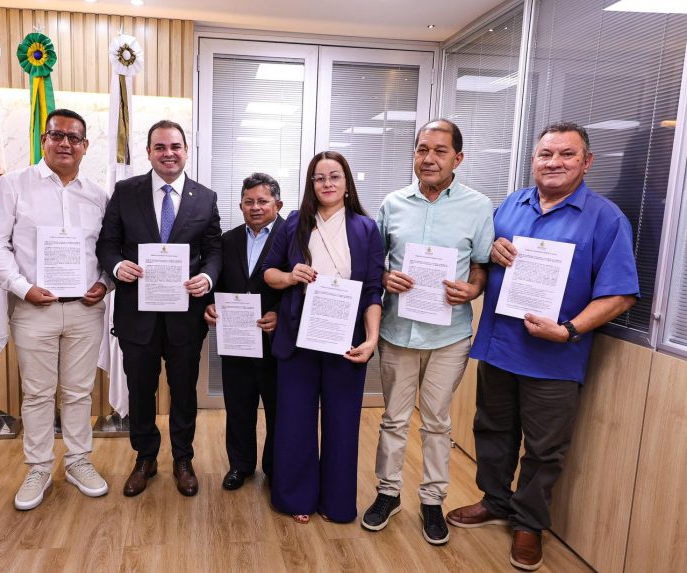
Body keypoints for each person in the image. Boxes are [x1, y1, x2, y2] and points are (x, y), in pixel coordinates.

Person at [446, 122, 639, 571]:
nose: (554, 163)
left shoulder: (606, 218)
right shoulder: (511, 205)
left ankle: (529, 524)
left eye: (567, 154)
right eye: (546, 154)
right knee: (491, 430)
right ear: (533, 160)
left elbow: (620, 294)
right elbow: (481, 258)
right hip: (500, 346)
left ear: (586, 162)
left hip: (554, 357)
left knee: (544, 448)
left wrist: (569, 329)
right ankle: (494, 501)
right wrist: (491, 252)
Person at [363, 119, 494, 543]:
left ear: (458, 158)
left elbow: (481, 266)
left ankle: (432, 500)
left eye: (440, 150)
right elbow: (374, 261)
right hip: (398, 331)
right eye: (422, 149)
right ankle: (388, 493)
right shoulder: (393, 203)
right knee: (394, 419)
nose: (429, 158)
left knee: (437, 422)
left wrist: (472, 289)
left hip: (448, 336)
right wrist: (385, 277)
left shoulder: (478, 206)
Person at [0, 109, 110, 510]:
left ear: (85, 146)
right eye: (57, 135)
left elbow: (109, 248)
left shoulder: (98, 194)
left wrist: (104, 283)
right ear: (44, 140)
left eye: (74, 138)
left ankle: (77, 461)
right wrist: (22, 287)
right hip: (33, 307)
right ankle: (38, 467)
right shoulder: (13, 185)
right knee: (37, 393)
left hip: (85, 309)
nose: (65, 143)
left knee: (79, 392)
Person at [96, 119, 222, 497]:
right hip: (137, 316)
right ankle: (145, 458)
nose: (169, 154)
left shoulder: (205, 198)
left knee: (183, 392)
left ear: (186, 151)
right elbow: (107, 244)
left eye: (175, 146)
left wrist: (208, 278)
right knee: (140, 390)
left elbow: (214, 251)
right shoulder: (125, 192)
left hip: (186, 316)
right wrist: (117, 266)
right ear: (149, 152)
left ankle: (183, 459)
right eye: (160, 147)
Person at [263, 151, 384, 524]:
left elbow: (373, 290)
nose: (327, 183)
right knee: (295, 420)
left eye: (335, 176)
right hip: (298, 336)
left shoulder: (366, 228)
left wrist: (372, 339)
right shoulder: (294, 223)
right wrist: (290, 276)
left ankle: (336, 501)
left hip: (346, 338)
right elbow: (269, 273)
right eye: (319, 177)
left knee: (342, 422)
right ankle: (296, 496)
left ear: (347, 183)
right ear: (311, 184)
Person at [204, 173, 284, 490]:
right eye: (248, 201)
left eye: (262, 201)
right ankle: (240, 465)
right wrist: (210, 305)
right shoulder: (229, 240)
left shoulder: (292, 237)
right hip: (237, 341)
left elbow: (301, 285)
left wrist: (280, 313)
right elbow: (217, 281)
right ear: (240, 205)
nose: (255, 207)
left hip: (276, 342)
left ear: (278, 204)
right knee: (238, 407)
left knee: (278, 409)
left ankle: (275, 468)